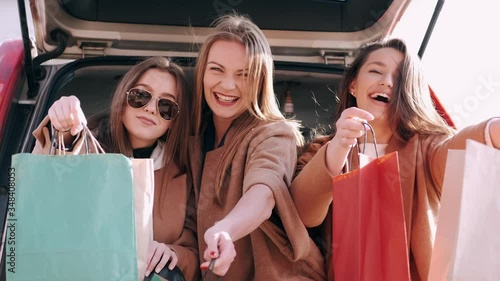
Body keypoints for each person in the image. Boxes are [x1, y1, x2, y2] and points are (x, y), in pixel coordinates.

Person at [290, 37, 500, 280]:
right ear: (353, 86)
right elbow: (302, 214)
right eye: (376, 70)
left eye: (400, 78)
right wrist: (339, 146)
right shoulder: (321, 150)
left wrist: (492, 129)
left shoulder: (427, 147)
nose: (386, 82)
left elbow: (458, 149)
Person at [32, 57, 200, 281]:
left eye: (166, 106)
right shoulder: (87, 151)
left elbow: (193, 253)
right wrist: (63, 129)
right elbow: (51, 177)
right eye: (141, 96)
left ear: (174, 120)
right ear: (123, 97)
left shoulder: (182, 175)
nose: (151, 109)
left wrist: (171, 254)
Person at [188, 14, 326, 280]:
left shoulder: (274, 134)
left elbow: (263, 192)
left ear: (260, 80)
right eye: (217, 69)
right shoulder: (192, 138)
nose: (228, 85)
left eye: (244, 74)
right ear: (202, 71)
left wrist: (227, 229)